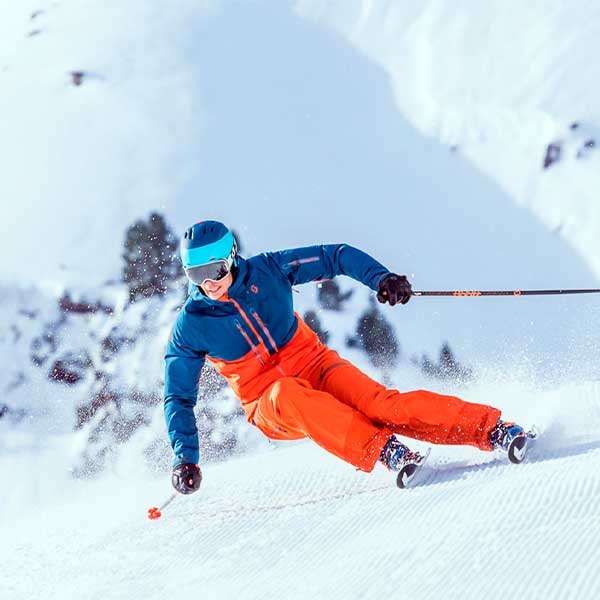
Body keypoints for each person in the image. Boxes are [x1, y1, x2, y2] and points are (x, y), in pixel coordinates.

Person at [164, 221, 530, 494]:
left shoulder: (269, 270)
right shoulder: (192, 324)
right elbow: (178, 397)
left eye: (215, 271)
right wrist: (186, 457)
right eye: (196, 275)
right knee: (288, 393)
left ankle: (491, 428)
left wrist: (381, 279)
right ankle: (387, 451)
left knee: (380, 405)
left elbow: (333, 256)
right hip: (267, 402)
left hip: (315, 364)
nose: (208, 284)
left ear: (231, 259)